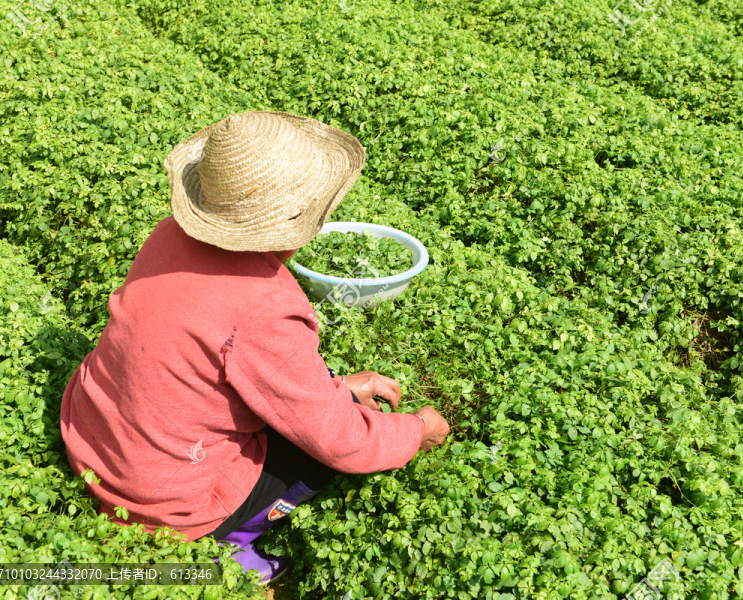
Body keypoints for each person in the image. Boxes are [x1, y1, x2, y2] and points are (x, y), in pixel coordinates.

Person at [59, 111, 450, 584]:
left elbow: (205, 359)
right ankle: (231, 540)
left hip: (91, 446)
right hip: (162, 502)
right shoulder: (267, 309)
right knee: (313, 455)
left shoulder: (169, 235)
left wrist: (335, 386)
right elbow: (340, 442)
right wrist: (414, 432)